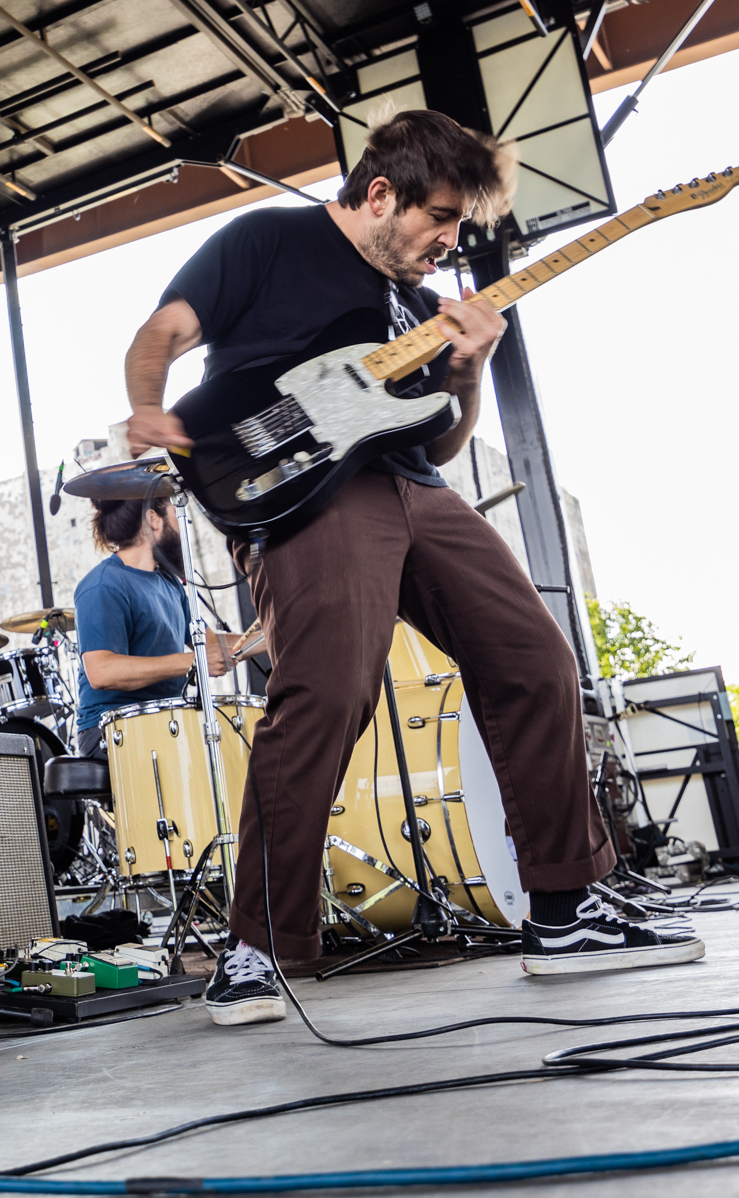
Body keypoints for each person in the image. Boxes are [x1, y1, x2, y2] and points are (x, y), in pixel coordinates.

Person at [123, 108, 702, 1027]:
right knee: (329, 692)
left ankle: (564, 907)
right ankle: (255, 948)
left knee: (536, 659)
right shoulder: (268, 239)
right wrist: (148, 407)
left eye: (461, 225)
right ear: (382, 194)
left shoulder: (421, 308)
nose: (450, 240)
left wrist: (467, 369)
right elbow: (159, 333)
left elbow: (441, 439)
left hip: (413, 485)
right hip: (301, 491)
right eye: (441, 217)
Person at [73, 496, 239, 759]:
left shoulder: (169, 583)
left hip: (166, 720)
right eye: (176, 515)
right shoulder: (103, 585)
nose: (183, 524)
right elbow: (101, 671)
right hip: (112, 728)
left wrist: (273, 634)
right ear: (154, 520)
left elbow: (210, 645)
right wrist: (194, 661)